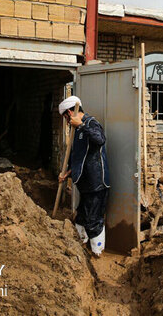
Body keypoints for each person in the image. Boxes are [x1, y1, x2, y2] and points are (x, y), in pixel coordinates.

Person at [58, 96, 110, 257]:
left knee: (94, 217)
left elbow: (100, 139)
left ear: (69, 113)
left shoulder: (90, 123)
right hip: (84, 180)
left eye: (66, 118)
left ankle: (97, 251)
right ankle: (82, 242)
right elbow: (76, 155)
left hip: (96, 180)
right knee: (81, 214)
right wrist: (67, 172)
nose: (67, 122)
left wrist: (80, 124)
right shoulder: (76, 130)